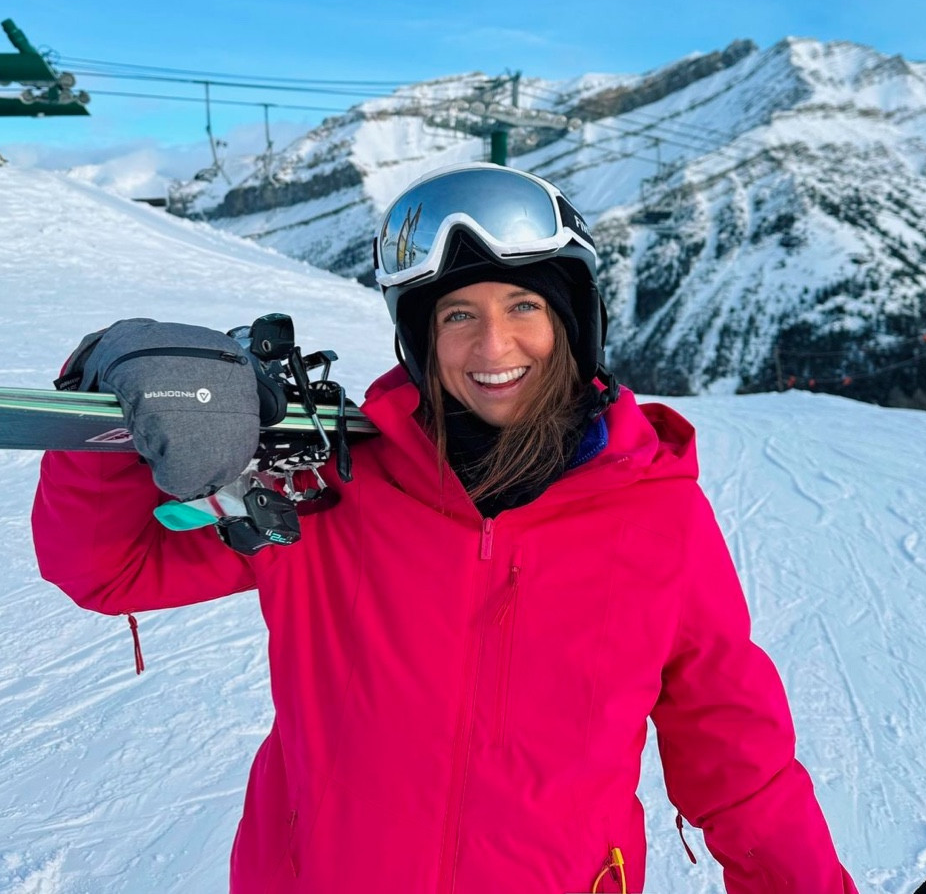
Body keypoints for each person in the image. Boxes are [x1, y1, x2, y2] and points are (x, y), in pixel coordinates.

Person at [32, 162, 859, 893]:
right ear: (421, 336)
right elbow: (110, 570)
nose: (492, 344)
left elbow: (739, 762)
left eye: (524, 304)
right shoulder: (328, 486)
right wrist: (107, 383)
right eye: (457, 314)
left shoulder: (656, 512)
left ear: (574, 322)